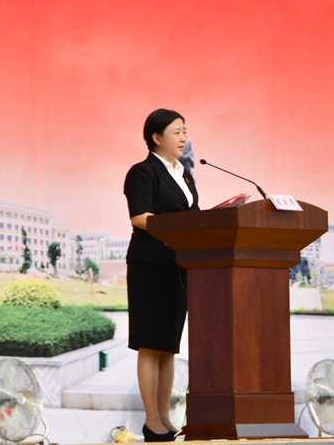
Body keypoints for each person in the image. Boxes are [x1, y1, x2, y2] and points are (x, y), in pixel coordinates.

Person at [123, 109, 198, 442]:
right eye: (176, 132)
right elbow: (139, 217)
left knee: (168, 347)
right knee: (150, 345)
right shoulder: (142, 172)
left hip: (178, 266)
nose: (183, 138)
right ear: (156, 137)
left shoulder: (185, 175)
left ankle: (165, 418)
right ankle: (151, 420)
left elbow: (193, 217)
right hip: (150, 266)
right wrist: (179, 226)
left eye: (185, 131)